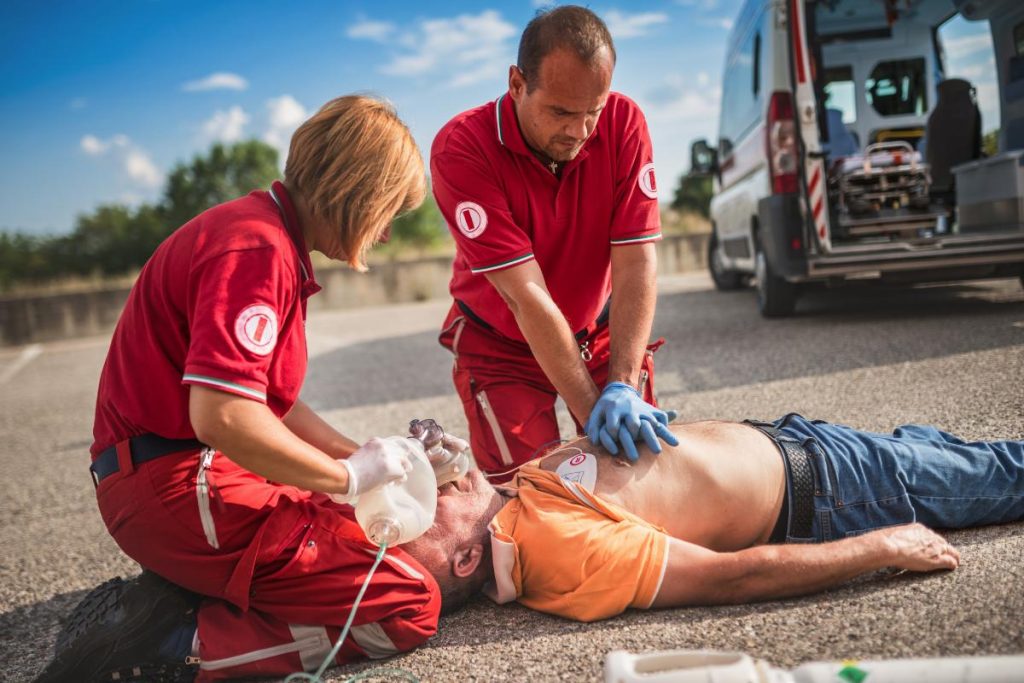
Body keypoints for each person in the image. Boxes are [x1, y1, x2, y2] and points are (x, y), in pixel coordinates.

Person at [36, 96, 442, 683]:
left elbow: (273, 402)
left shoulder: (262, 233)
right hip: (176, 485)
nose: (383, 234)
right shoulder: (257, 250)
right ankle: (175, 643)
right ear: (361, 192)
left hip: (172, 477)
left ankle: (187, 594)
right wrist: (349, 479)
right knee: (408, 604)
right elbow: (224, 417)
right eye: (389, 214)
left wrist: (361, 458)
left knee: (341, 524)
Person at [402, 414, 1024, 622]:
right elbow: (732, 577)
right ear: (464, 558)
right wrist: (881, 545)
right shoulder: (556, 550)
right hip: (843, 490)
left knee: (967, 456)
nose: (424, 491)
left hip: (801, 442)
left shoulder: (509, 509)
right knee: (1005, 474)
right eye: (426, 510)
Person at [431, 5, 678, 478]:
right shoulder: (462, 147)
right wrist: (592, 416)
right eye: (561, 111)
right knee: (534, 490)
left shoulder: (623, 121)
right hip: (503, 343)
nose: (579, 132)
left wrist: (623, 386)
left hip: (599, 330)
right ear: (517, 84)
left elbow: (636, 263)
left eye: (592, 111)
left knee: (643, 479)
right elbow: (526, 296)